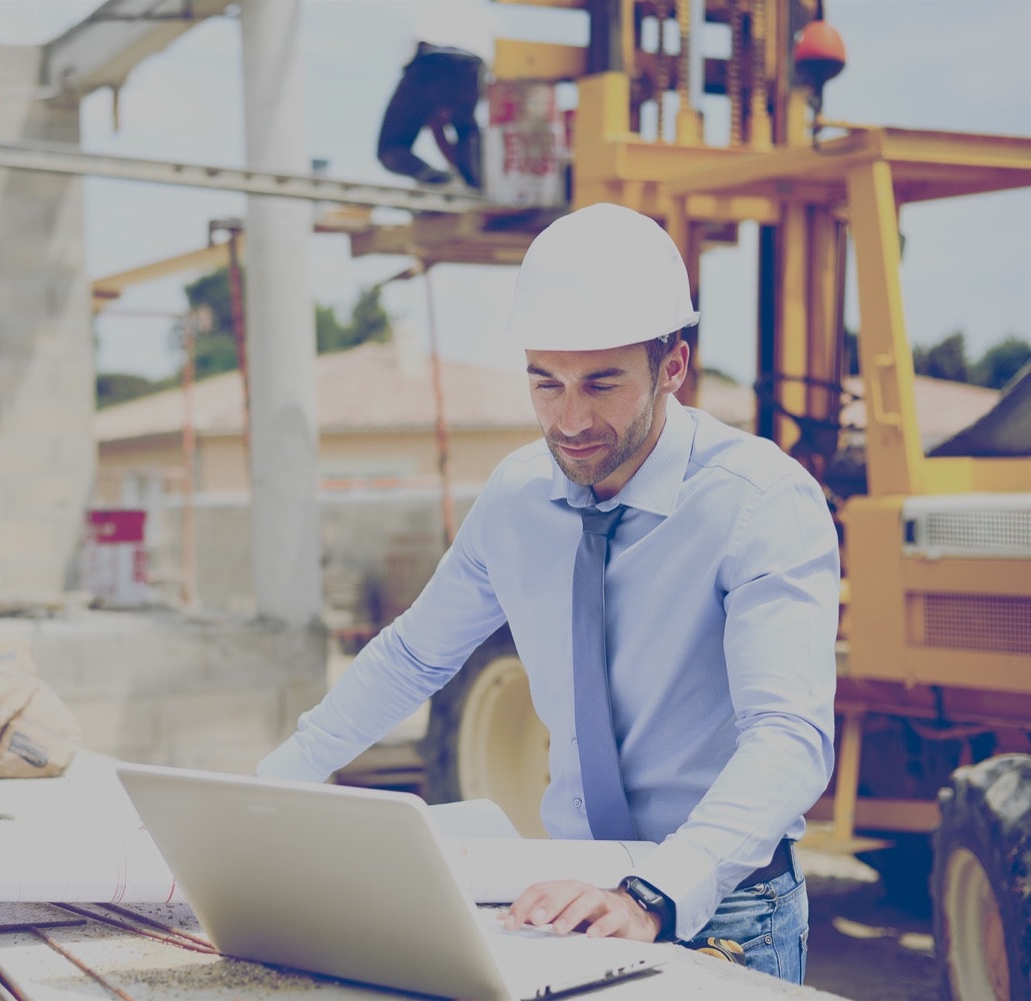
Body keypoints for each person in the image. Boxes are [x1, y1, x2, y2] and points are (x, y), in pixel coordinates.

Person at [257, 203, 839, 984]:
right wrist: (272, 787)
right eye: (546, 382)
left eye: (601, 384)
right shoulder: (519, 496)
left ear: (673, 367)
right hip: (572, 891)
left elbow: (788, 737)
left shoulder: (761, 502)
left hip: (723, 903)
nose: (569, 419)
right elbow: (412, 656)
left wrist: (656, 892)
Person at [377, 7, 495, 188]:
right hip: (472, 65)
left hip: (429, 61)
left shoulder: (425, 97)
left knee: (390, 148)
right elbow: (440, 131)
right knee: (466, 129)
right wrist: (464, 175)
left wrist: (438, 176)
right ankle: (475, 181)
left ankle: (436, 176)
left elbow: (438, 130)